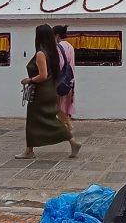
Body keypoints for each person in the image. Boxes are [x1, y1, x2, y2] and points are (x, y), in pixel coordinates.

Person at [16, 24, 81, 160]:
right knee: (43, 120)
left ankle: (71, 141)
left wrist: (28, 80)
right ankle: (29, 149)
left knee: (39, 120)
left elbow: (43, 75)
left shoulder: (41, 53)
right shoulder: (52, 52)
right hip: (50, 90)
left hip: (42, 92)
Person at [52, 24, 81, 151]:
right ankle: (69, 134)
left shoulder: (59, 47)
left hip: (60, 83)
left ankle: (70, 134)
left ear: (57, 36)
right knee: (62, 110)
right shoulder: (69, 46)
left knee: (59, 110)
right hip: (69, 82)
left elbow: (60, 66)